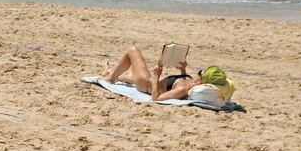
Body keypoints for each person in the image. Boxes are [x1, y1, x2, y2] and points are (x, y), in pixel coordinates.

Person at [99, 45, 235, 102]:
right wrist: (183, 70)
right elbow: (181, 81)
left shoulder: (183, 89)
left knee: (132, 50)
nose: (199, 72)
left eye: (201, 72)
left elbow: (156, 99)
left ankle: (109, 78)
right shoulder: (192, 84)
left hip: (146, 83)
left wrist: (156, 75)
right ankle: (109, 73)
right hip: (148, 80)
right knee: (124, 76)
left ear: (203, 79)